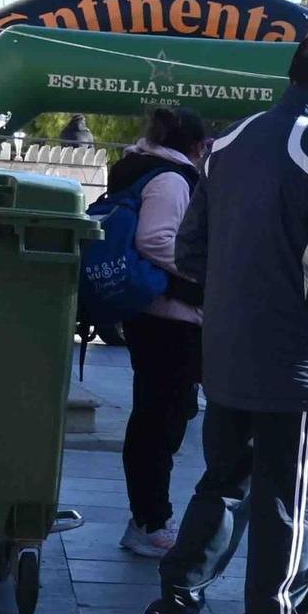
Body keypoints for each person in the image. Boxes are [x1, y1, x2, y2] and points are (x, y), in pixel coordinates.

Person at [130, 31, 308, 614]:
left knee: (225, 485)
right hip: (299, 362)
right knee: (292, 505)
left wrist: (237, 296)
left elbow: (190, 252)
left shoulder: (230, 145)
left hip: (229, 351)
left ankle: (173, 612)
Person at [114, 106, 209, 559]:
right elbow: (155, 239)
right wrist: (202, 274)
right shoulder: (172, 179)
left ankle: (147, 515)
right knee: (161, 420)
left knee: (161, 415)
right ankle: (151, 519)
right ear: (195, 146)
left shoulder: (140, 166)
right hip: (168, 318)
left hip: (154, 315)